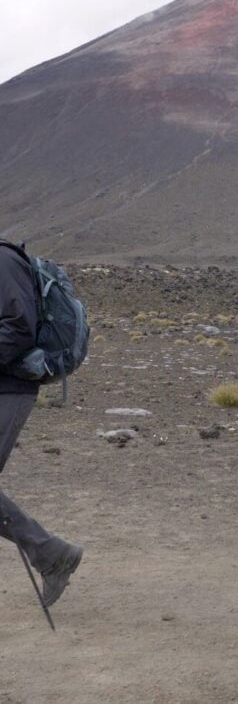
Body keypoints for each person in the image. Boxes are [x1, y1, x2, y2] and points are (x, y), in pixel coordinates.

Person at [0, 243, 82, 606]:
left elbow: (20, 328)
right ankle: (52, 555)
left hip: (10, 388)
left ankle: (53, 555)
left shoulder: (3, 261)